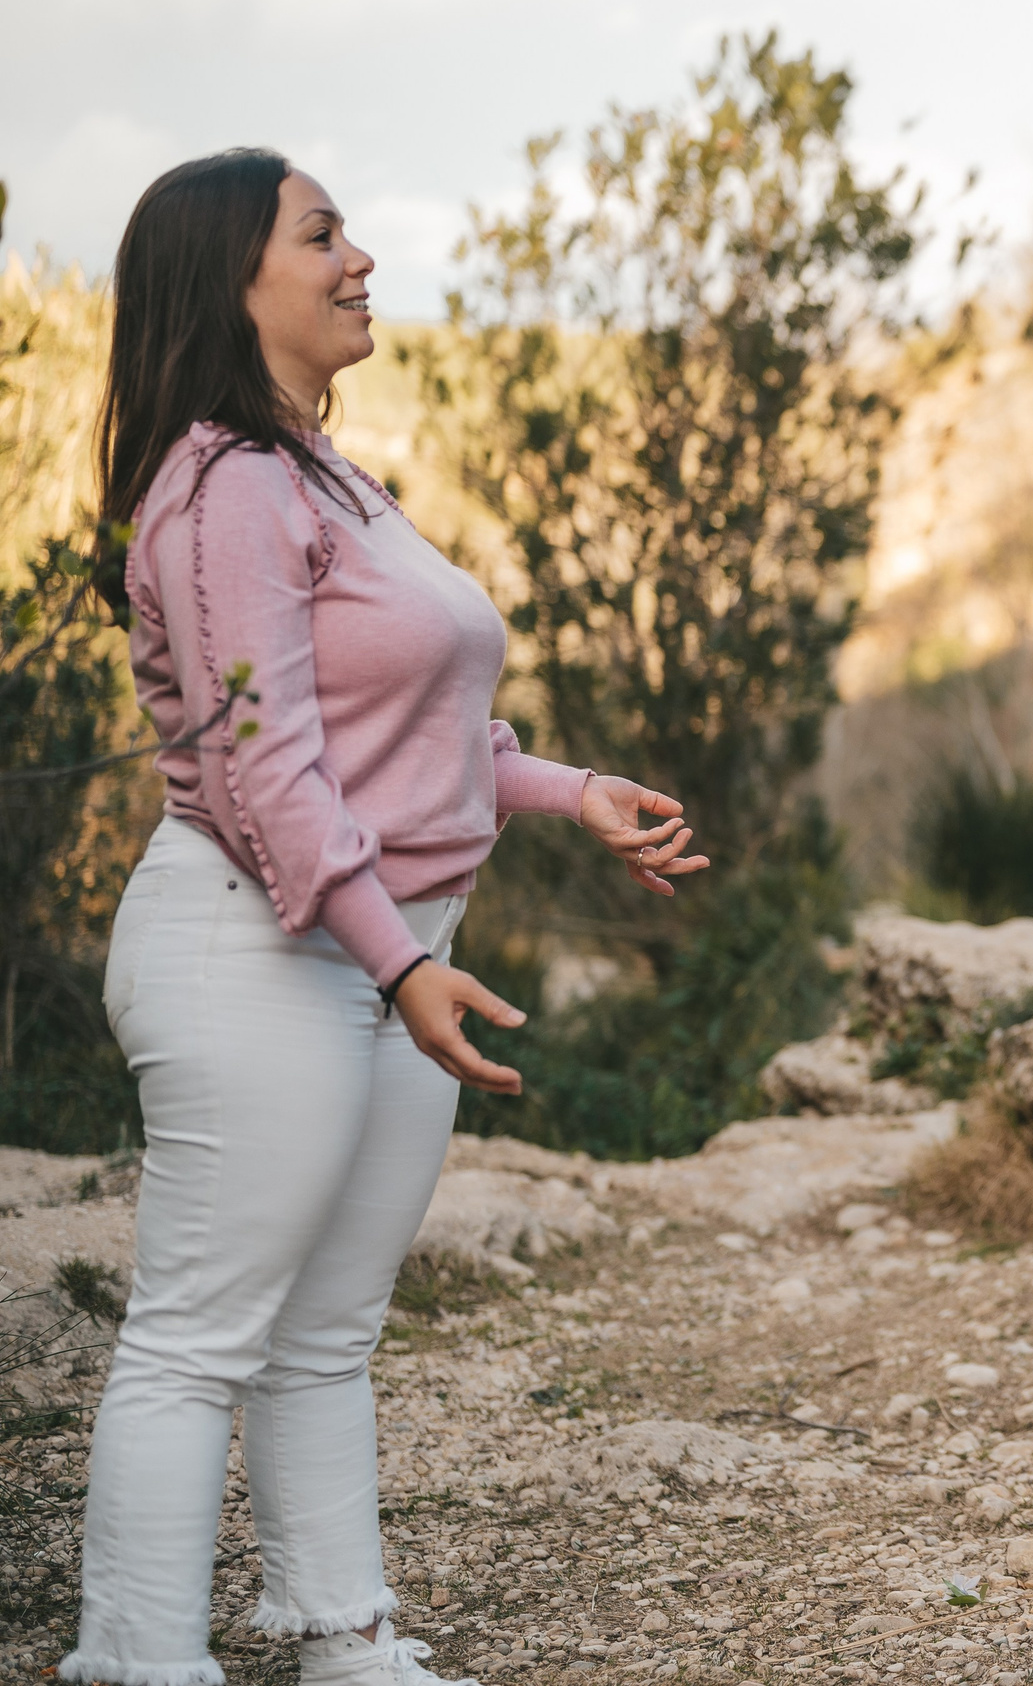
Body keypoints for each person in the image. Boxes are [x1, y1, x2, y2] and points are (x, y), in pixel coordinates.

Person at [60, 149, 707, 1686]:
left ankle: (341, 1639)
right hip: (258, 949)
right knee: (199, 1333)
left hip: (380, 948)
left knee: (328, 1326)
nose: (363, 260)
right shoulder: (216, 490)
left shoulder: (318, 472)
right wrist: (402, 958)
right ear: (234, 280)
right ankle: (137, 1657)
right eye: (324, 235)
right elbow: (267, 766)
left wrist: (569, 791)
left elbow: (417, 727)